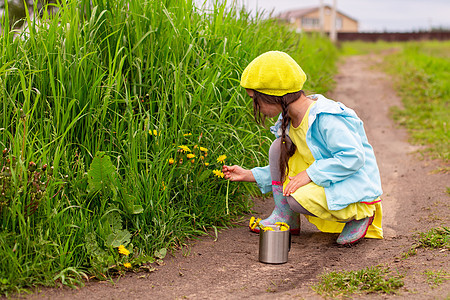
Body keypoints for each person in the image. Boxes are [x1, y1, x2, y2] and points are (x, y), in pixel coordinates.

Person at [222, 51, 383, 245]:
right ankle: (285, 216)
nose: (254, 106)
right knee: (278, 147)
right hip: (327, 176)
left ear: (272, 96)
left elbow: (353, 157)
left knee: (295, 198)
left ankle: (358, 215)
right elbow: (290, 165)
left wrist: (309, 174)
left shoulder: (325, 117)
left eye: (254, 99)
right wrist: (249, 175)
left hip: (351, 184)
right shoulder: (289, 120)